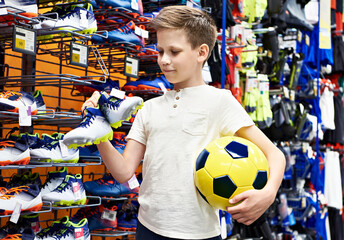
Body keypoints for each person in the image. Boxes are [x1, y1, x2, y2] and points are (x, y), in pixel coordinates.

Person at [82, 5, 285, 240]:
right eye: (159, 51)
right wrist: (99, 130)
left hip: (201, 233)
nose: (164, 60)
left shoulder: (220, 101)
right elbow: (123, 172)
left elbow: (275, 154)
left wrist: (268, 194)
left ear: (201, 53)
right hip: (148, 229)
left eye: (174, 52)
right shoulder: (148, 108)